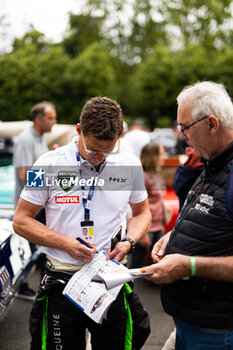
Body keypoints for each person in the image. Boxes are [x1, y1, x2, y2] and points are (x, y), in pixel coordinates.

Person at [13, 96, 151, 350]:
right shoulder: (46, 164)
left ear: (120, 135)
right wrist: (65, 243)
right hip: (62, 281)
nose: (99, 159)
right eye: (93, 150)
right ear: (79, 131)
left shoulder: (130, 163)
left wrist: (130, 241)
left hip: (110, 281)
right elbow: (21, 221)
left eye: (108, 152)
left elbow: (143, 212)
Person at [142, 81, 233, 349]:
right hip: (191, 322)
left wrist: (189, 265)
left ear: (212, 124)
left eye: (185, 127)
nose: (182, 136)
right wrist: (173, 236)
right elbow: (211, 218)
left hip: (216, 331)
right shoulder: (213, 161)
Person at [13, 101, 57, 300]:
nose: (54, 122)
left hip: (41, 205)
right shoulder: (25, 139)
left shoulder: (40, 138)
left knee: (41, 248)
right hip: (30, 206)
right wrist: (54, 176)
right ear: (38, 119)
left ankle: (43, 286)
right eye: (50, 118)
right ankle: (23, 287)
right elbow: (24, 175)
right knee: (31, 250)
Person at [128, 141, 167, 268]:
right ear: (152, 156)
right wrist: (142, 233)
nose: (164, 157)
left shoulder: (156, 174)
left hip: (158, 226)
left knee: (158, 260)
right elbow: (136, 207)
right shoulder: (143, 177)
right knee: (137, 263)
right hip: (147, 228)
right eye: (161, 154)